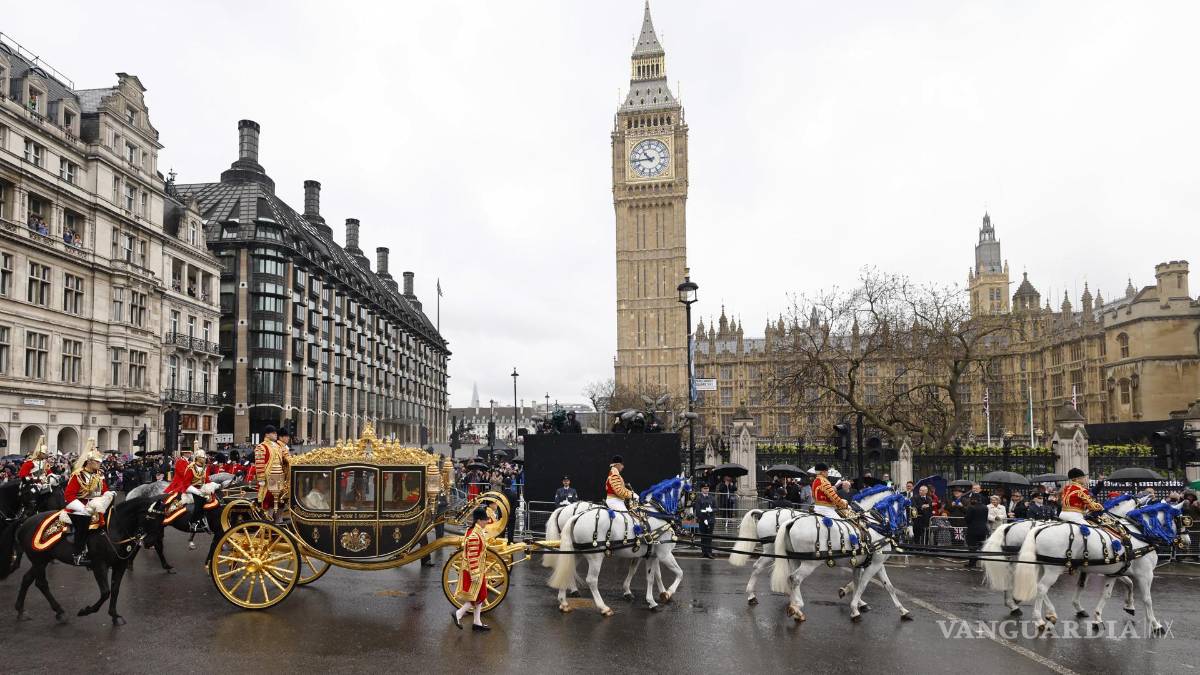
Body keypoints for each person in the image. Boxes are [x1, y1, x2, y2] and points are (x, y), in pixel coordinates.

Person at [63, 448, 112, 566]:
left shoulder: (99, 475)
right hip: (81, 506)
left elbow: (104, 490)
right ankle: (78, 554)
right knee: (83, 523)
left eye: (100, 462)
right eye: (97, 462)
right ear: (89, 462)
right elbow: (69, 495)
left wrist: (109, 495)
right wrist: (83, 509)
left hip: (97, 505)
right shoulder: (78, 475)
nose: (100, 464)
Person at [451, 507, 492, 631]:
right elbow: (472, 556)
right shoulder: (475, 535)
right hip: (474, 571)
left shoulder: (473, 531)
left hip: (477, 569)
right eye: (485, 520)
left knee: (480, 595)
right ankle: (459, 613)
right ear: (479, 520)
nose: (486, 522)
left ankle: (477, 622)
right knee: (478, 596)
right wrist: (475, 573)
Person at [255, 425, 290, 518]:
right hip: (269, 477)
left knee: (280, 500)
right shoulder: (261, 446)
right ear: (267, 434)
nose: (275, 435)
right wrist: (261, 478)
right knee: (268, 501)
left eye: (275, 433)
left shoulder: (278, 447)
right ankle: (268, 521)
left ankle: (278, 521)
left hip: (279, 476)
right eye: (273, 433)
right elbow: (259, 463)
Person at [17, 437, 57, 516]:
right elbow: (23, 476)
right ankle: (27, 513)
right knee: (34, 494)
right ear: (39, 453)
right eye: (43, 453)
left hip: (42, 484)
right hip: (29, 485)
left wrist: (54, 477)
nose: (45, 455)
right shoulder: (29, 463)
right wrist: (35, 480)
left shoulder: (45, 463)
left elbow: (49, 472)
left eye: (45, 454)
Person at [963, 496, 990, 568]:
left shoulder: (971, 507)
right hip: (983, 529)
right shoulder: (985, 507)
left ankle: (972, 563)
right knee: (980, 547)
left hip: (973, 530)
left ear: (974, 500)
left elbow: (967, 519)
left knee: (972, 547)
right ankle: (978, 562)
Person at [694, 483, 716, 558]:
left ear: (709, 489)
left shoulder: (712, 498)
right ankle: (704, 552)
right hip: (702, 520)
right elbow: (697, 510)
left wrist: (711, 510)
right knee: (703, 537)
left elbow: (716, 508)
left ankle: (709, 553)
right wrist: (703, 519)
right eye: (704, 488)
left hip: (711, 520)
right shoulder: (699, 498)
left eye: (707, 488)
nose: (706, 490)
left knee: (709, 537)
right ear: (701, 489)